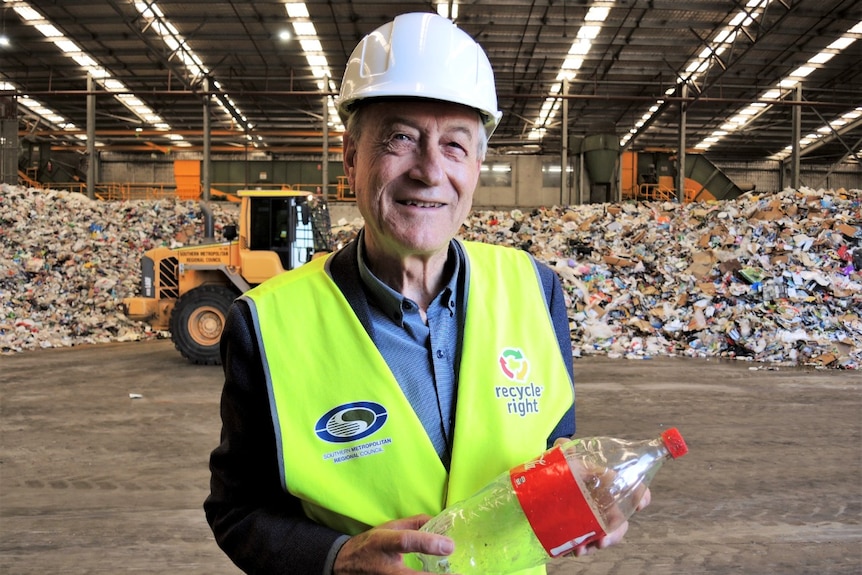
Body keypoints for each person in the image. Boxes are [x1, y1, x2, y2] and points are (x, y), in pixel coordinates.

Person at [205, 12, 646, 575]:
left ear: (478, 166)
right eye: (401, 138)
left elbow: (551, 454)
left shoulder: (535, 290)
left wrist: (583, 497)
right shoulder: (266, 323)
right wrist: (338, 558)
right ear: (350, 157)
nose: (430, 171)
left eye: (456, 145)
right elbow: (238, 510)